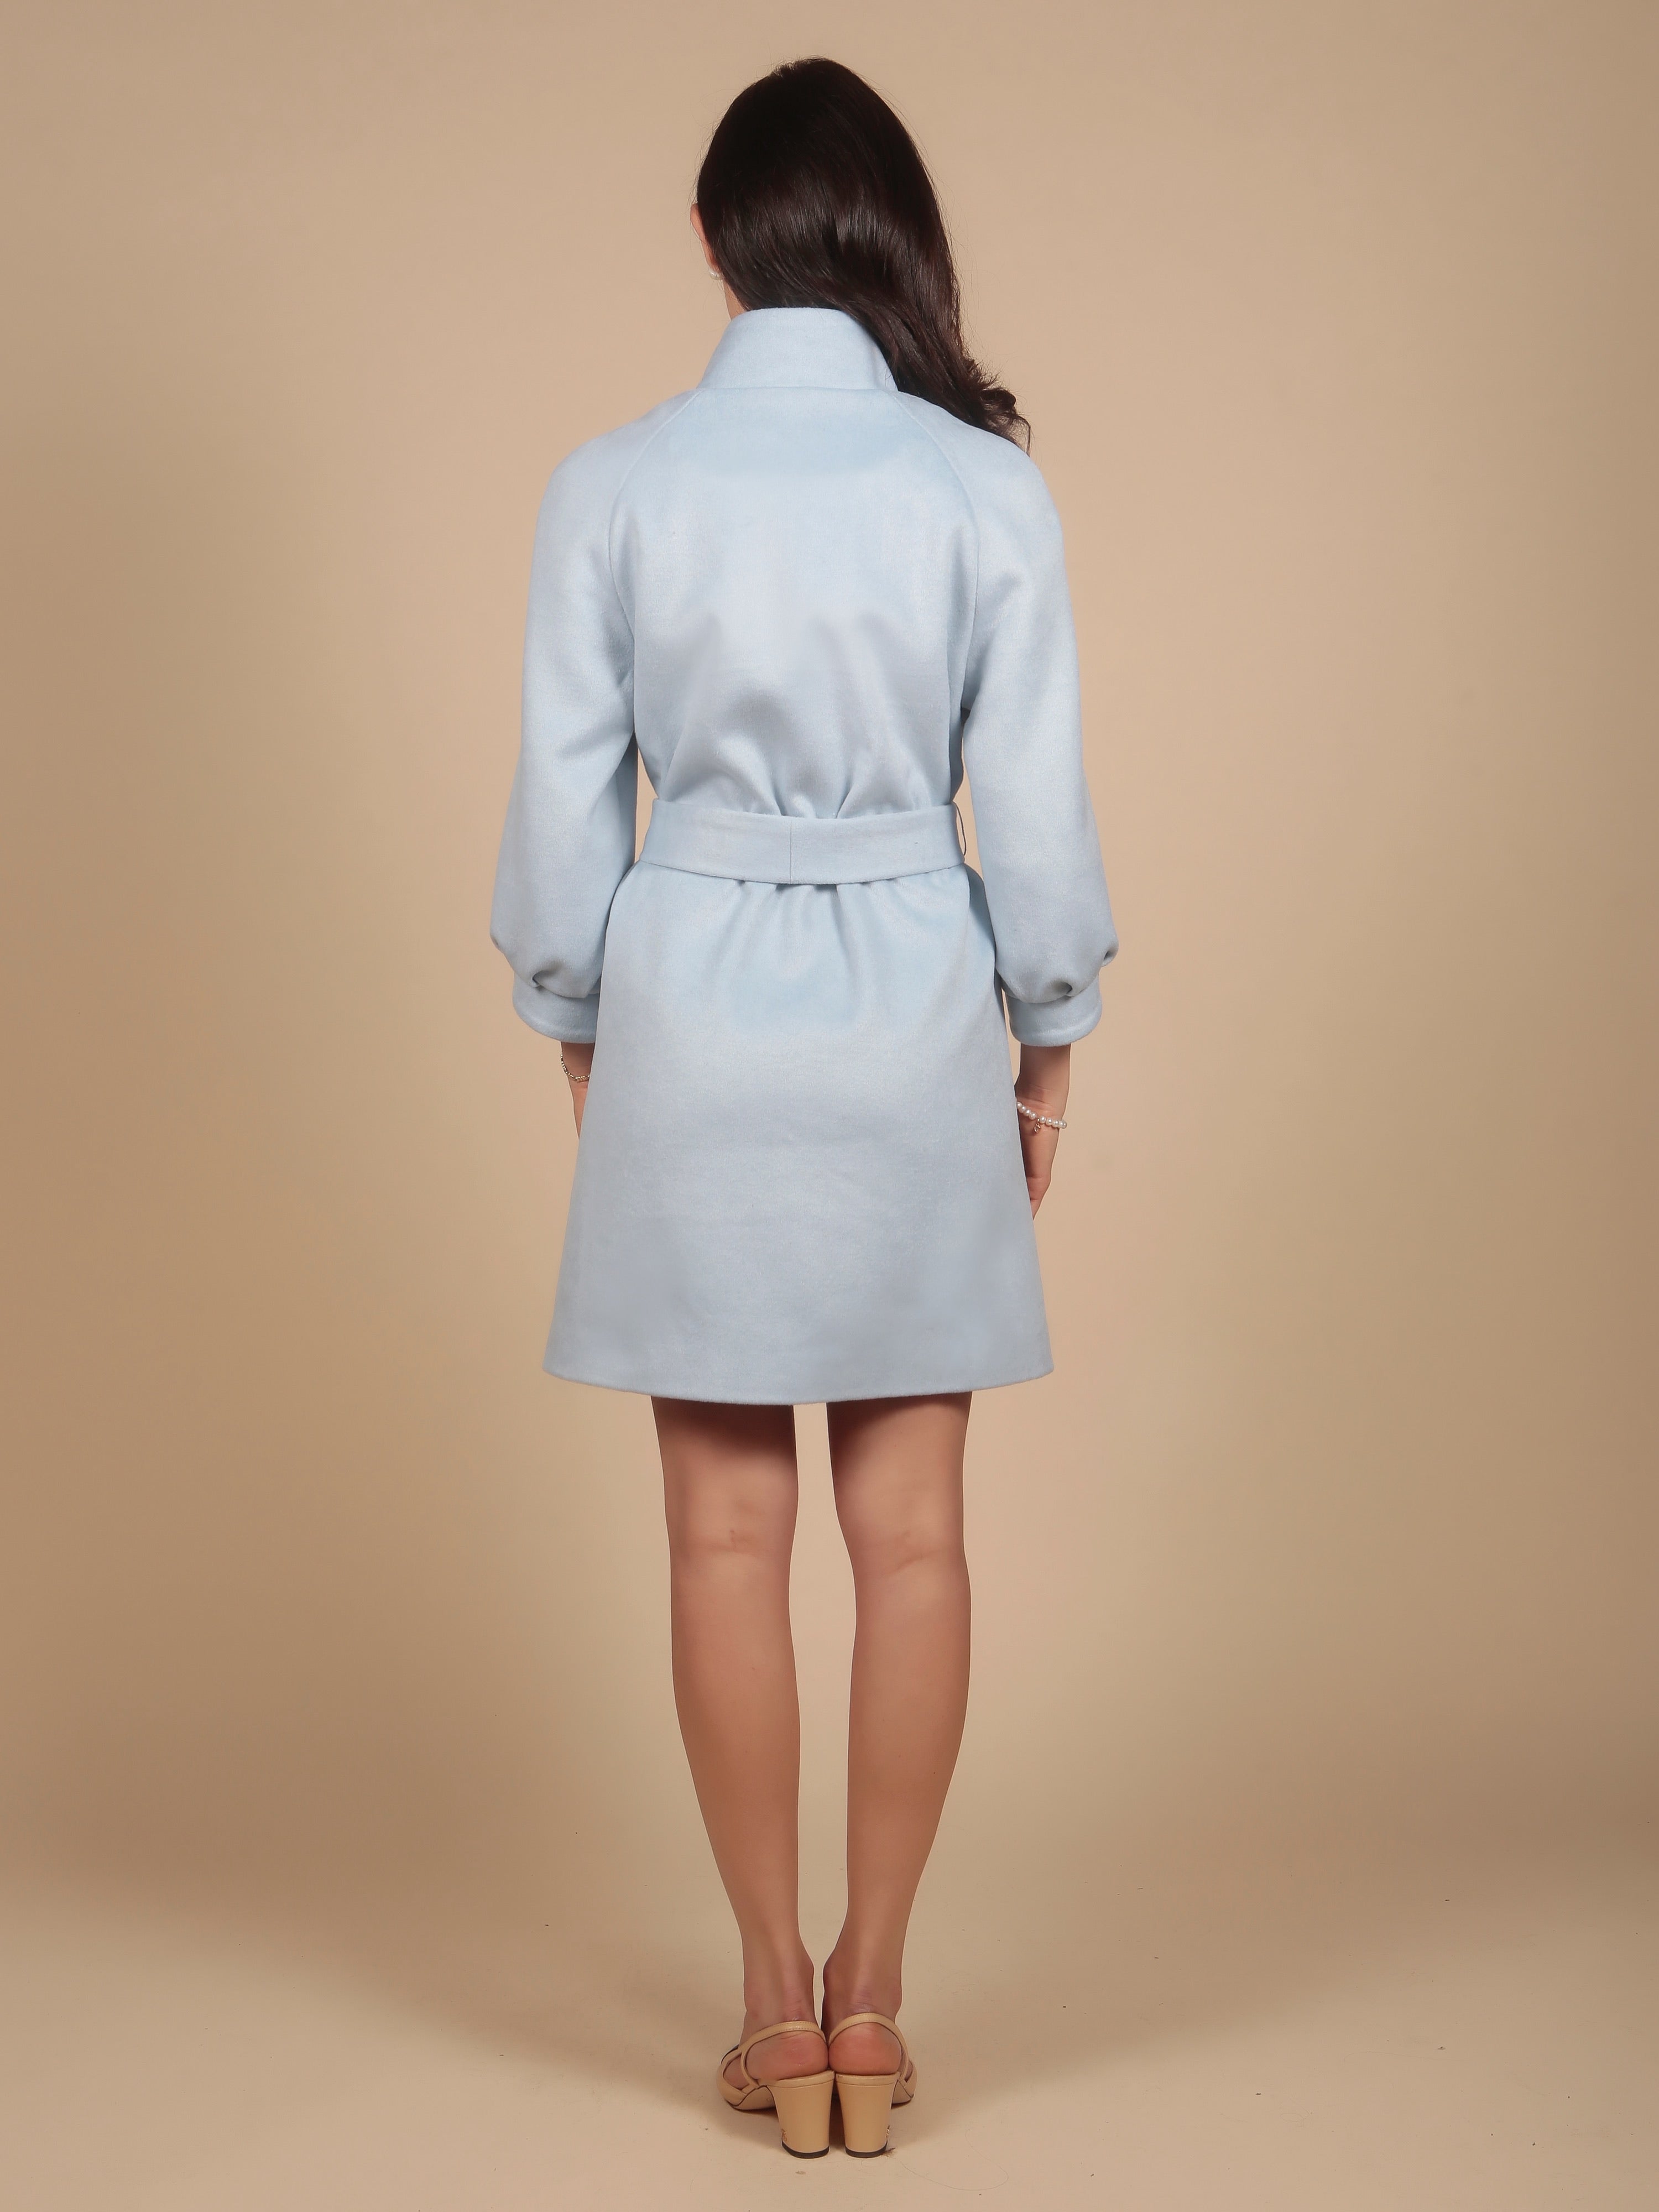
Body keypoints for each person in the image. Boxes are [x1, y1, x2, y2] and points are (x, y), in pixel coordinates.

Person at [490, 56, 1117, 2159]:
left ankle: (768, 2002)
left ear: (715, 243)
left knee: (722, 1536)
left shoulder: (612, 482)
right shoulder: (978, 489)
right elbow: (1033, 817)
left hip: (693, 1013)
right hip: (913, 1012)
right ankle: (875, 1999)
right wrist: (1047, 1039)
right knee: (915, 1536)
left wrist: (585, 1027)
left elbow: (564, 814)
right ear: (886, 233)